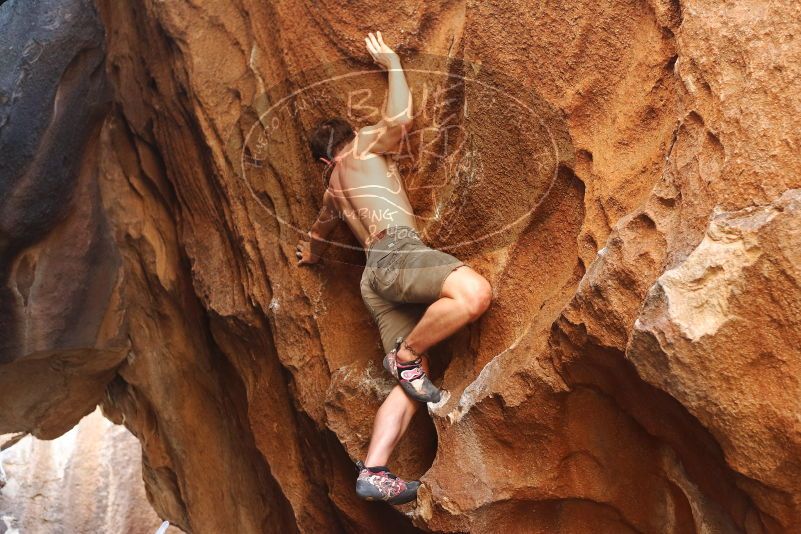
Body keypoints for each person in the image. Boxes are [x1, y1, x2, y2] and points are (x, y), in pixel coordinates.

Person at [296, 31, 492, 505]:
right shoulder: (362, 148)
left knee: (411, 383)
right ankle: (406, 358)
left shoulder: (331, 191)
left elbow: (318, 239)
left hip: (373, 279)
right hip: (397, 252)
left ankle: (375, 469)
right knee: (473, 294)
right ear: (347, 139)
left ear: (324, 160)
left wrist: (309, 258)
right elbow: (400, 121)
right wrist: (392, 64)